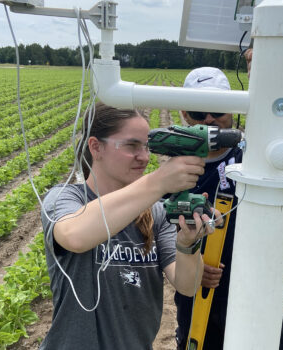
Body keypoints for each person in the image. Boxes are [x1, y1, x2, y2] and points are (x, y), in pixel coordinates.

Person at [39, 102, 220, 350]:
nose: (144, 157)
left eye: (146, 147)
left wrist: (188, 244)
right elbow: (74, 237)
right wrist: (157, 182)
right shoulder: (66, 199)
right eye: (131, 146)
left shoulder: (155, 211)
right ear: (96, 147)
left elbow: (187, 285)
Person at [174, 67, 283, 349]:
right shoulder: (176, 169)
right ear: (183, 113)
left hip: (258, 287)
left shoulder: (255, 156)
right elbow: (164, 228)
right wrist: (191, 264)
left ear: (234, 109)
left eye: (218, 110)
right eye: (198, 112)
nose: (209, 119)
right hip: (202, 291)